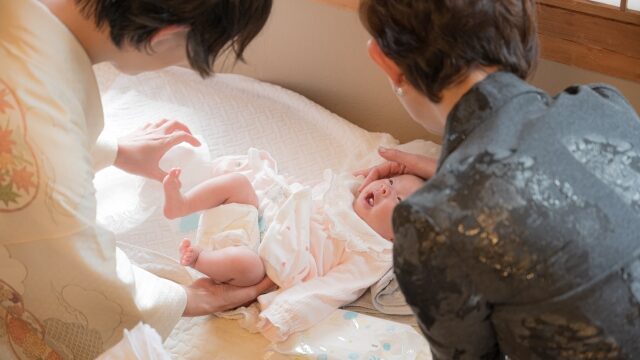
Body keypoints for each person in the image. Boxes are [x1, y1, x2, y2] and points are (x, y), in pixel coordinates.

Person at [356, 0, 640, 359]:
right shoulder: (604, 106)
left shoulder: (431, 223)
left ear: (386, 62)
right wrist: (449, 173)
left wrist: (448, 189)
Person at [0, 0, 272, 357]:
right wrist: (186, 297)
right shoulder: (37, 135)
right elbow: (67, 265)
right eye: (186, 55)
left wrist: (112, 151)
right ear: (165, 37)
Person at [159, 148, 424, 341]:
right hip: (261, 217)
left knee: (247, 264)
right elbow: (298, 197)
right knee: (238, 183)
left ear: (395, 239)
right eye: (390, 182)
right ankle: (183, 204)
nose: (386, 190)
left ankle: (200, 259)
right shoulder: (343, 192)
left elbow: (331, 290)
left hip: (269, 262)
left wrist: (285, 314)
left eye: (398, 200)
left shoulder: (371, 253)